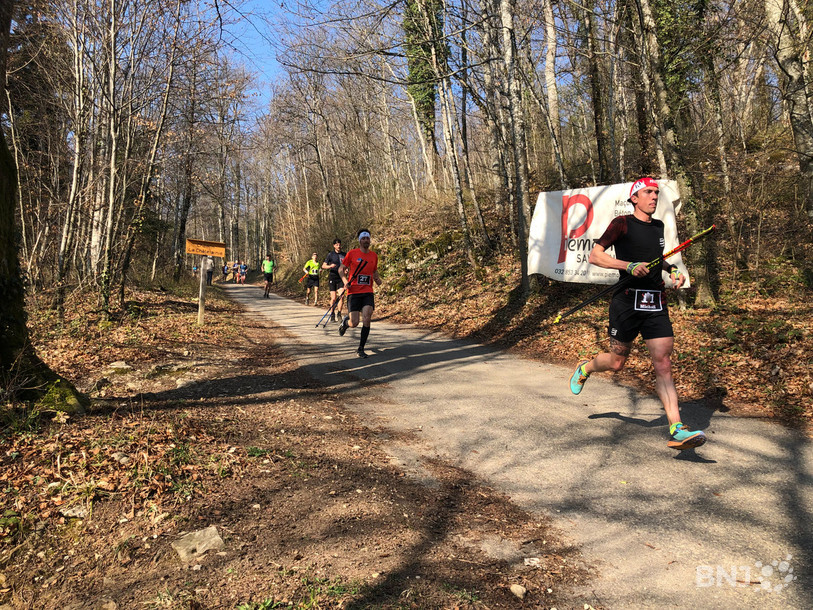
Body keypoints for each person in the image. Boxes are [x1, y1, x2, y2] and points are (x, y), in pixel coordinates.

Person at [569, 177, 705, 451]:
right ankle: (586, 367)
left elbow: (656, 255)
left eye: (656, 193)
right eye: (648, 192)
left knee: (663, 362)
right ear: (634, 198)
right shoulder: (622, 223)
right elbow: (596, 256)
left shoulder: (658, 226)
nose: (654, 197)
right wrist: (627, 265)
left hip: (655, 301)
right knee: (617, 363)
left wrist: (671, 270)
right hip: (627, 301)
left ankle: (677, 428)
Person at [338, 229, 382, 358]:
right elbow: (341, 268)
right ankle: (346, 323)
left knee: (367, 318)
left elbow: (374, 271)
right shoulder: (352, 254)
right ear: (359, 240)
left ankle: (361, 348)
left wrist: (377, 279)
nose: (366, 240)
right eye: (363, 238)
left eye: (367, 238)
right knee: (354, 323)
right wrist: (345, 281)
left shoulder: (374, 255)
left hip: (368, 291)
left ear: (370, 240)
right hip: (353, 292)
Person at [322, 238, 346, 322]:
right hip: (332, 277)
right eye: (336, 244)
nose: (338, 246)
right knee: (333, 298)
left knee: (341, 296)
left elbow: (347, 265)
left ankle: (339, 313)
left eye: (339, 244)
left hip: (341, 277)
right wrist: (330, 266)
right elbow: (323, 266)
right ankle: (332, 313)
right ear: (334, 246)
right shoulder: (330, 255)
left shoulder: (344, 254)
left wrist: (346, 269)